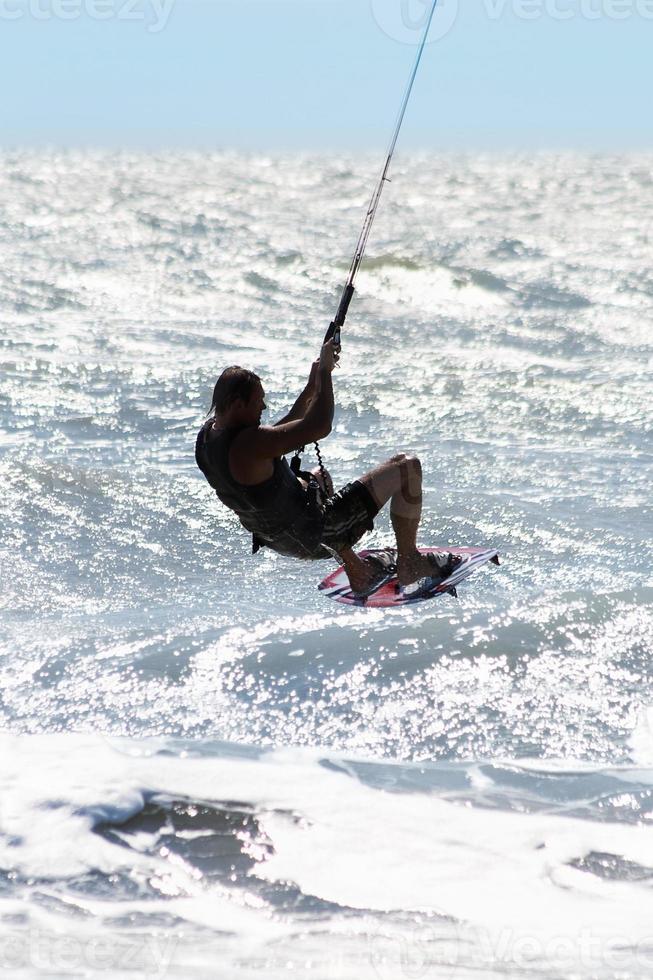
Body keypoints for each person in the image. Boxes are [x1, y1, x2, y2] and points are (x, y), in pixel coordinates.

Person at [195, 339, 460, 598]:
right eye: (258, 402)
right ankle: (409, 563)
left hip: (276, 538)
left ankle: (357, 569)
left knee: (317, 478)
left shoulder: (208, 439)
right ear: (237, 404)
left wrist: (312, 387)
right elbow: (319, 426)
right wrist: (325, 373)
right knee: (407, 466)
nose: (263, 407)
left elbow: (277, 435)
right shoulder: (248, 444)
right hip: (315, 534)